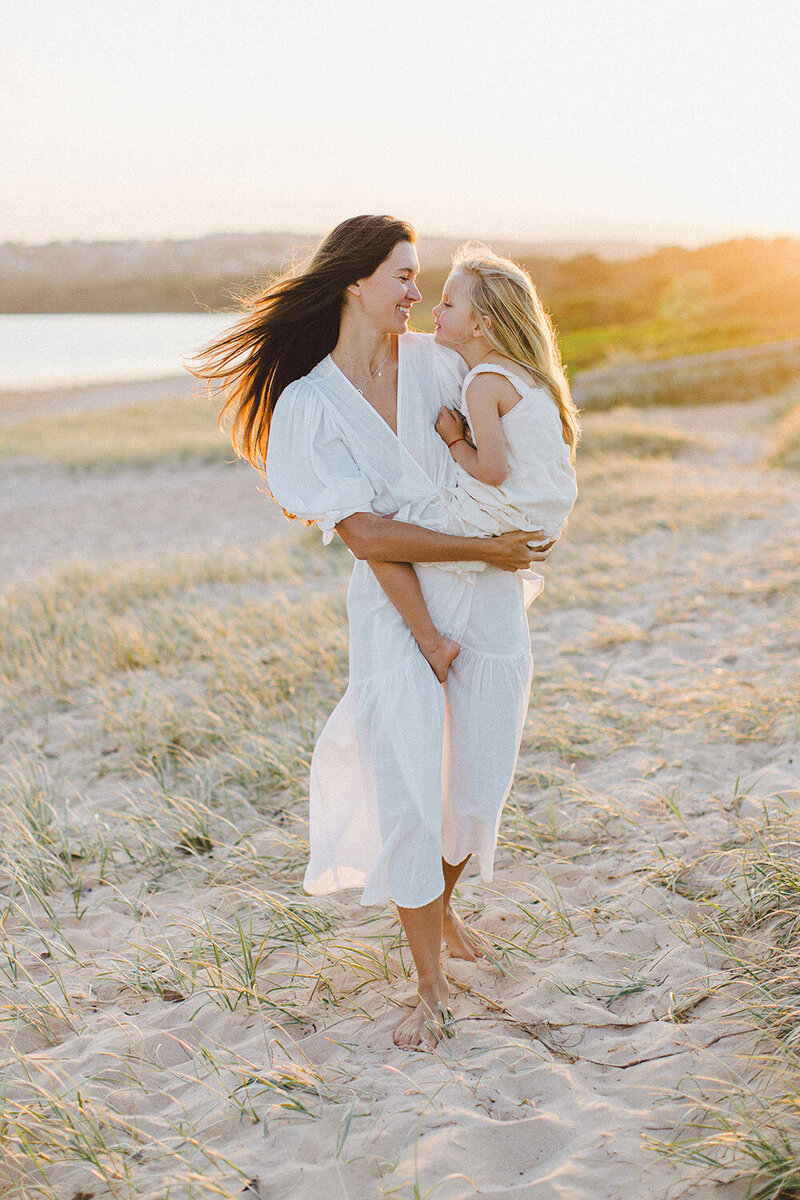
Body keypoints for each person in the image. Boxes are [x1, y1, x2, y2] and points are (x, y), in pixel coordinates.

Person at [191, 215, 552, 1052]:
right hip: (396, 613)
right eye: (402, 275)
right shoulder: (309, 405)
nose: (417, 293)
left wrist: (537, 514)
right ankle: (427, 979)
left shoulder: (438, 363)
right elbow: (370, 537)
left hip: (489, 595)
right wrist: (433, 617)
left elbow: (516, 415)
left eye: (420, 277)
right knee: (411, 790)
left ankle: (446, 910)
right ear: (356, 280)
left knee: (479, 780)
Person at [366, 243, 579, 682]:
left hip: (511, 508)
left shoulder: (482, 384)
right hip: (545, 506)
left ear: (482, 326)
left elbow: (492, 471)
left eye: (448, 303)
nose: (435, 310)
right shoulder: (526, 373)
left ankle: (433, 641)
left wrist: (453, 439)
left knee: (384, 532)